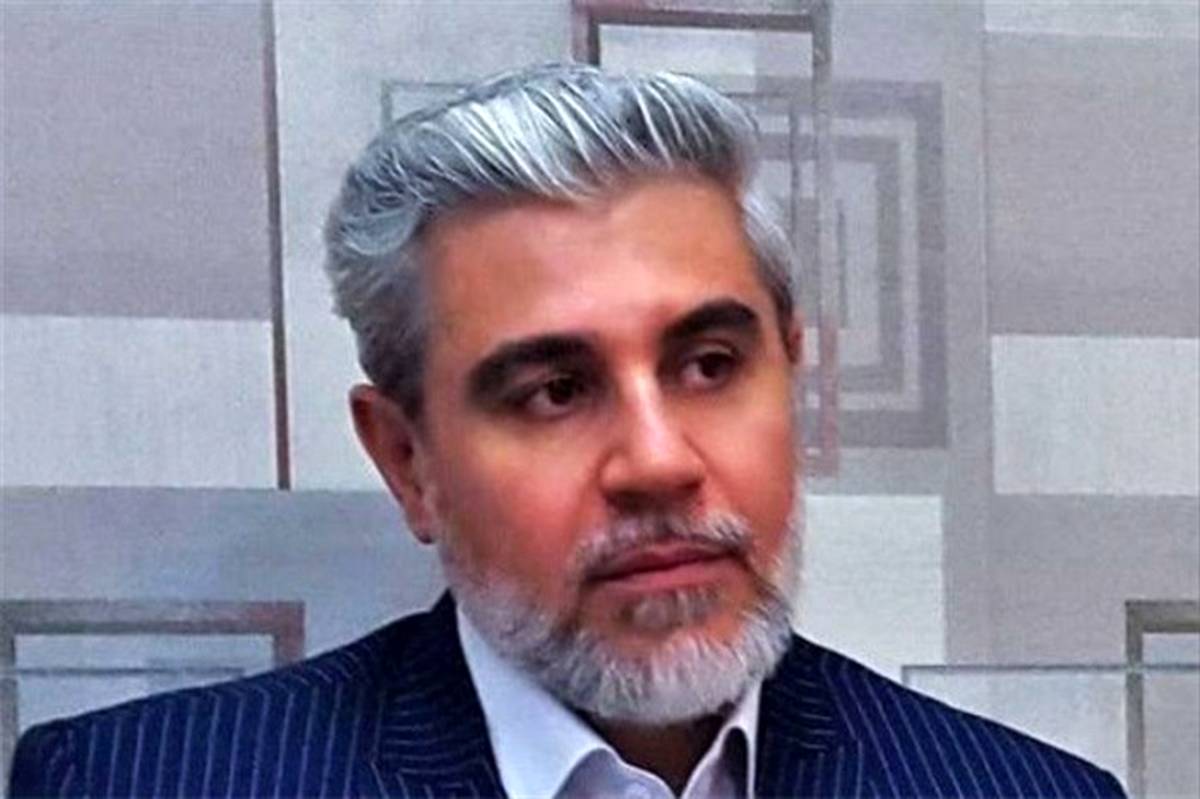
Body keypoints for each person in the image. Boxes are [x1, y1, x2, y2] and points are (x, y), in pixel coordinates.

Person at [9, 63, 1124, 799]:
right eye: (552, 390)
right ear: (408, 460)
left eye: (709, 364)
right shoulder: (139, 780)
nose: (658, 461)